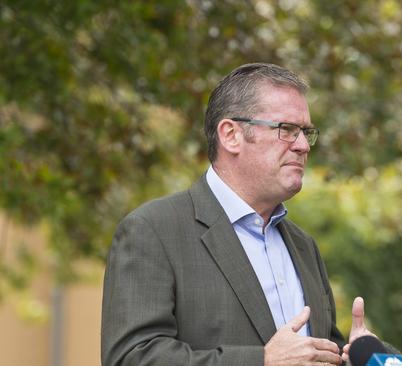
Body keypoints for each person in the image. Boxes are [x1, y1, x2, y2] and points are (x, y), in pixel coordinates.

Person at [101, 63, 385, 366]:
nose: (303, 146)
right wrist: (260, 361)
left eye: (306, 132)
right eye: (286, 130)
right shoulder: (153, 231)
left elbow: (312, 355)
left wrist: (355, 356)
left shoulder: (303, 246)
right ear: (231, 135)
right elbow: (130, 358)